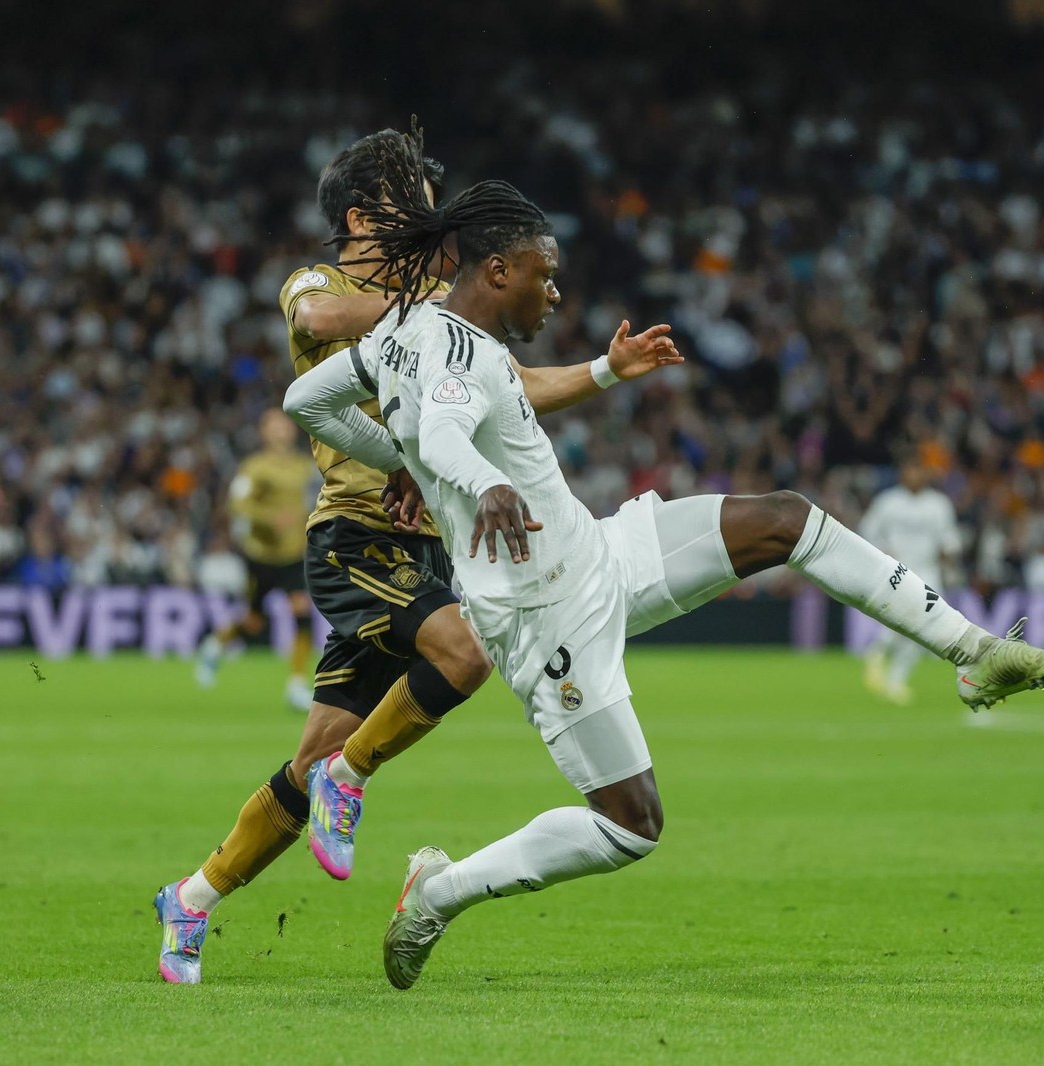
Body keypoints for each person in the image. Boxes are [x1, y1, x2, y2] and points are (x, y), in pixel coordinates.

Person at [284, 128, 1044, 989]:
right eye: (544, 273)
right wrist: (476, 486)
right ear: (497, 272)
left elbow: (308, 398)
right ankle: (439, 893)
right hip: (541, 617)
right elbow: (443, 428)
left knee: (785, 518)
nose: (555, 291)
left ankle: (975, 656)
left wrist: (400, 454)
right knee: (632, 826)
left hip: (599, 551)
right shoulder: (456, 352)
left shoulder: (410, 334)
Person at [153, 122, 683, 985]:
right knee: (460, 653)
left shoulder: (438, 308)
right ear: (363, 216)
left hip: (426, 545)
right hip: (355, 535)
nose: (433, 226)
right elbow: (321, 320)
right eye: (416, 206)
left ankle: (192, 899)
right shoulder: (319, 283)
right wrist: (436, 311)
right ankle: (351, 781)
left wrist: (606, 372)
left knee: (309, 760)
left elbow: (507, 385)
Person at [194, 408, 320, 710]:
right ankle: (215, 645)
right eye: (273, 425)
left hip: (293, 555)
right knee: (253, 621)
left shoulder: (304, 466)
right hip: (261, 555)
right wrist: (269, 519)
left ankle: (297, 684)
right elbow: (238, 504)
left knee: (301, 612)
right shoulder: (255, 467)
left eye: (284, 424)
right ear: (264, 432)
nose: (281, 430)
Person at [858, 458, 963, 704]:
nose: (913, 474)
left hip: (929, 573)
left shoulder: (939, 504)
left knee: (924, 629)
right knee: (908, 620)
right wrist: (882, 552)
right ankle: (880, 655)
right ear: (902, 472)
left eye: (917, 469)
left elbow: (950, 540)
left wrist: (948, 553)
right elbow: (867, 531)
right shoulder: (888, 502)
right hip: (897, 571)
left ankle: (891, 672)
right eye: (909, 468)